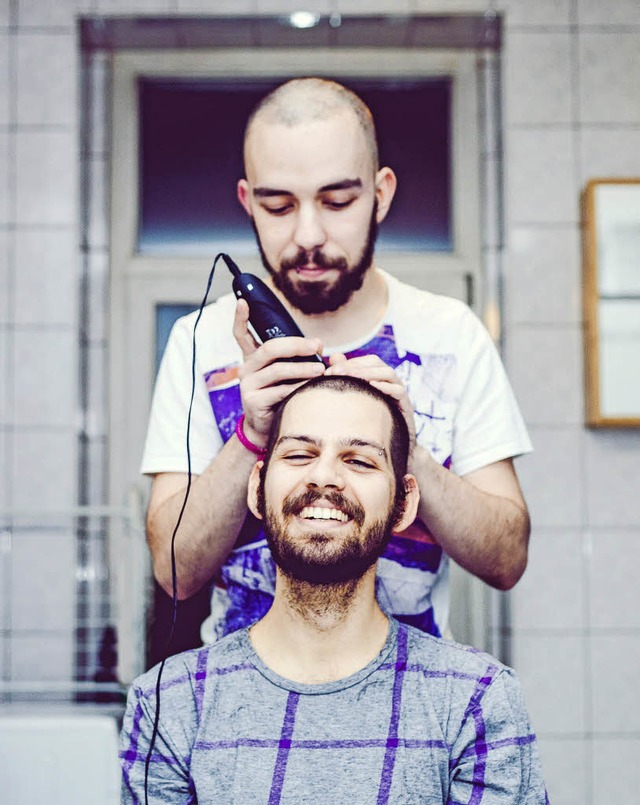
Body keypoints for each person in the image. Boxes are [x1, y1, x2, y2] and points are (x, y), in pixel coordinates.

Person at [141, 76, 532, 645]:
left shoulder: (450, 335)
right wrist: (251, 435)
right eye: (278, 206)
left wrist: (406, 448)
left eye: (337, 201)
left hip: (408, 698)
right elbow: (174, 573)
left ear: (382, 194)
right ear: (248, 202)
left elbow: (507, 560)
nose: (308, 234)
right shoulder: (198, 341)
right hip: (239, 705)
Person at [122, 376, 548, 804]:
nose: (323, 476)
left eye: (360, 461)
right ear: (256, 489)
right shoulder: (169, 704)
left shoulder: (477, 699)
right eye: (298, 454)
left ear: (404, 504)